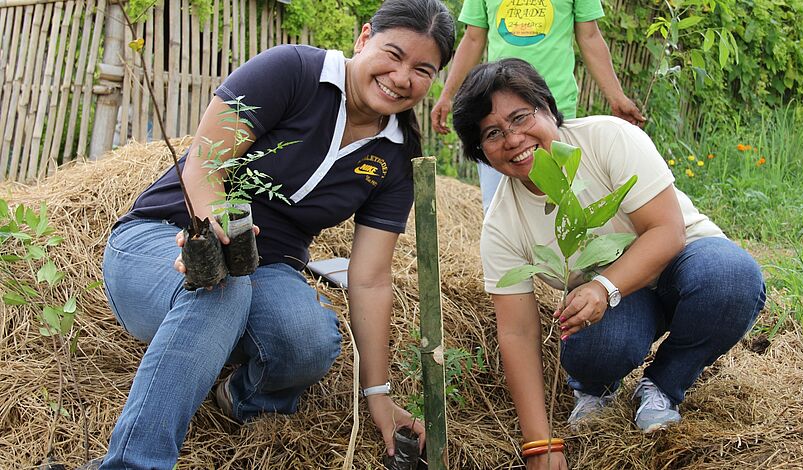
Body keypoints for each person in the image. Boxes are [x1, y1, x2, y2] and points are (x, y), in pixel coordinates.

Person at [94, 1, 455, 468]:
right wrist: (213, 234)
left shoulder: (395, 158)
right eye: (393, 53)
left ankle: (241, 397)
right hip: (165, 237)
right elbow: (205, 166)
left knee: (307, 340)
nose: (402, 77)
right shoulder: (293, 72)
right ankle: (132, 462)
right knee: (222, 284)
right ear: (364, 38)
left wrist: (379, 394)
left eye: (422, 69)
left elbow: (369, 279)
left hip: (270, 267)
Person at [451, 58, 765, 470]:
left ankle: (664, 385)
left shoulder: (607, 138)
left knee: (731, 279)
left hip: (684, 263)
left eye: (520, 117)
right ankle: (596, 390)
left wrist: (603, 287)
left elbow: (666, 232)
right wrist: (540, 445)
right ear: (482, 153)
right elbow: (518, 330)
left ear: (547, 108)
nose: (513, 138)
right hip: (618, 306)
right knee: (597, 349)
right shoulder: (501, 225)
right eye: (493, 134)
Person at [430, 0, 646, 213]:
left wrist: (616, 97)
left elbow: (589, 36)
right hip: (497, 118)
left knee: (563, 206)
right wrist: (448, 95)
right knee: (499, 210)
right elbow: (473, 38)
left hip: (553, 114)